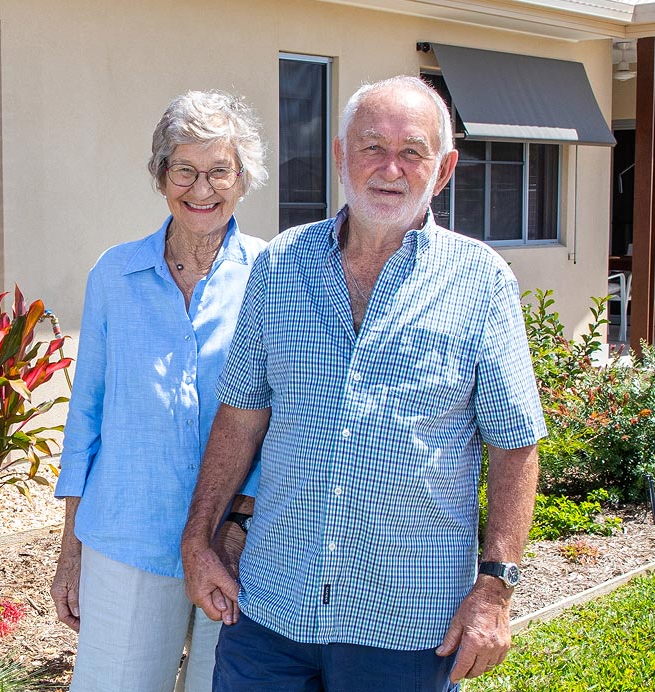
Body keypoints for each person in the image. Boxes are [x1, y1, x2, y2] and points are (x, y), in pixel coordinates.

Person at [180, 75, 547, 692]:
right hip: (270, 609)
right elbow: (240, 416)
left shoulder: (481, 281)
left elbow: (515, 443)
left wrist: (494, 588)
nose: (389, 168)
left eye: (413, 152)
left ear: (444, 169)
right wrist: (199, 540)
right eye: (372, 146)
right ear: (341, 154)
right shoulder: (281, 265)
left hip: (408, 624)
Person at [50, 90, 268, 692]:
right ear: (161, 174)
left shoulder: (273, 276)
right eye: (184, 170)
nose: (202, 189)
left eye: (219, 170)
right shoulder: (114, 275)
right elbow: (86, 418)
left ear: (243, 178)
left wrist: (236, 528)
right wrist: (72, 550)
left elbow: (285, 418)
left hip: (235, 543)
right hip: (127, 540)